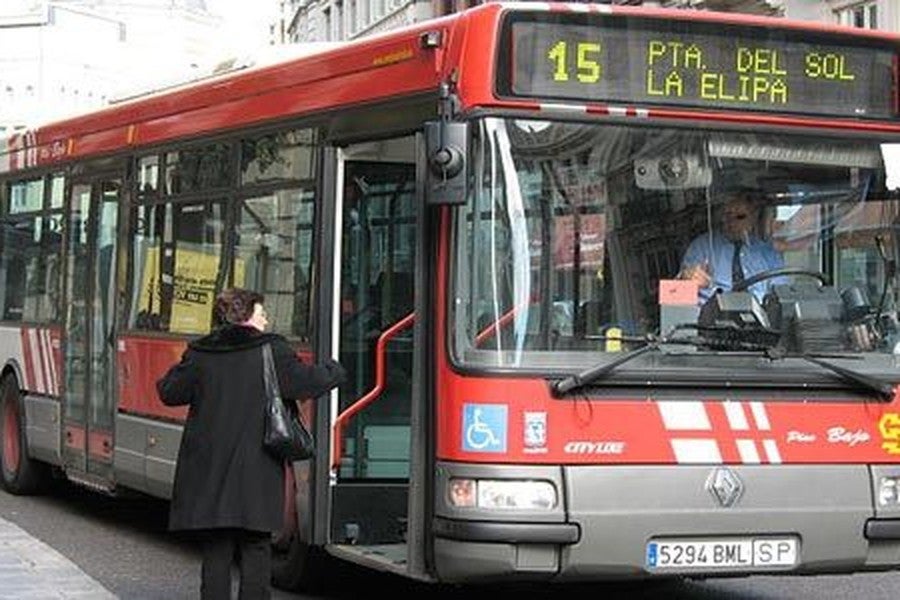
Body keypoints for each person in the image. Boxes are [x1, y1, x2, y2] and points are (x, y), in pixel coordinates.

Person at [156, 288, 345, 599]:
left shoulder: (202, 352)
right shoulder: (272, 350)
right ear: (247, 317)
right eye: (262, 313)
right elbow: (306, 382)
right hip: (257, 467)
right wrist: (336, 369)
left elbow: (169, 392)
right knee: (256, 548)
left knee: (216, 550)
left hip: (210, 468)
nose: (266, 319)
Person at [680, 193, 784, 305]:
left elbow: (783, 294)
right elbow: (675, 296)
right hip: (712, 317)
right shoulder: (701, 247)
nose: (731, 222)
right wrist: (685, 283)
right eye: (727, 215)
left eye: (740, 217)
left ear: (753, 218)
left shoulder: (767, 252)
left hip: (762, 317)